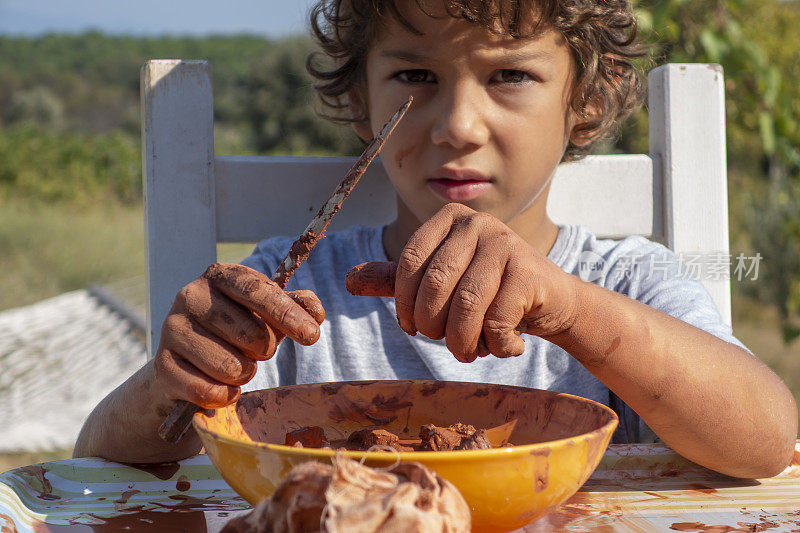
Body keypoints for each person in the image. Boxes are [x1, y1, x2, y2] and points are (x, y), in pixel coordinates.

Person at [74, 0, 797, 478]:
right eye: (416, 75)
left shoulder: (627, 284)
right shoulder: (285, 295)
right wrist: (171, 381)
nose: (457, 124)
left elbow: (767, 439)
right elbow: (99, 471)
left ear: (586, 103)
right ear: (360, 101)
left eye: (510, 74)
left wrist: (571, 310)